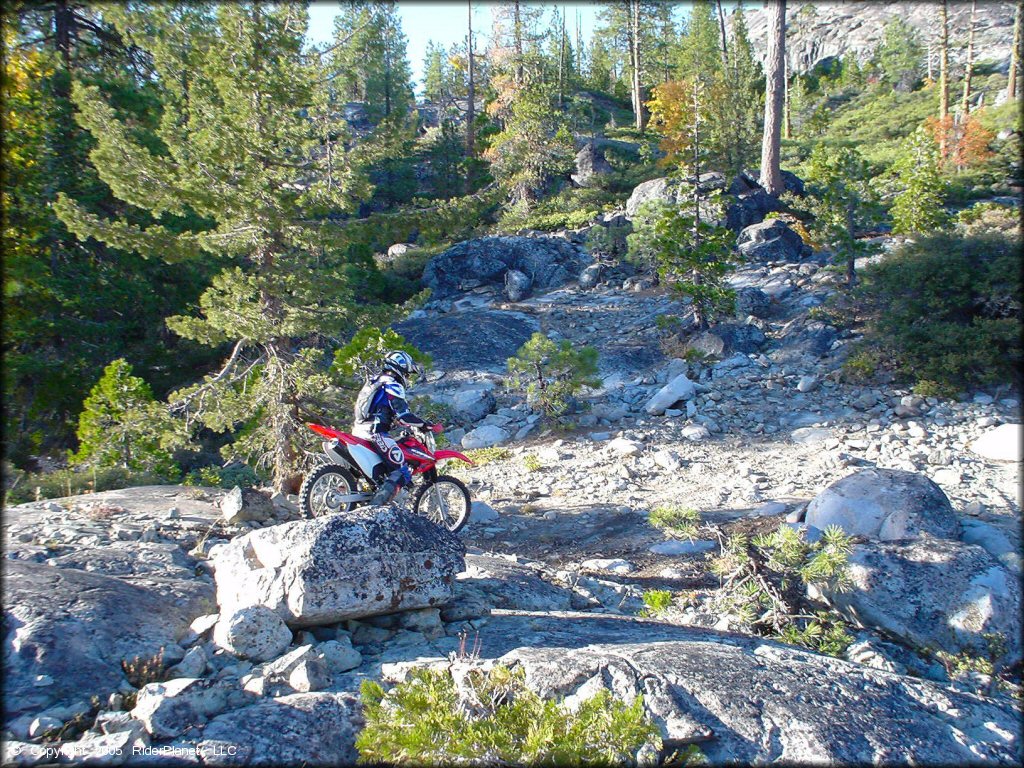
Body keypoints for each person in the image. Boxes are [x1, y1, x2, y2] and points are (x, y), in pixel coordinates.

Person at [352, 350, 442, 506]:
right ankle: (376, 507)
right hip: (375, 432)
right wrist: (424, 424)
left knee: (385, 468)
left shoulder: (375, 380)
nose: (407, 378)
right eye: (407, 374)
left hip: (359, 430)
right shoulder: (392, 383)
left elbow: (381, 409)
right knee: (401, 470)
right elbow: (404, 415)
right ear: (400, 368)